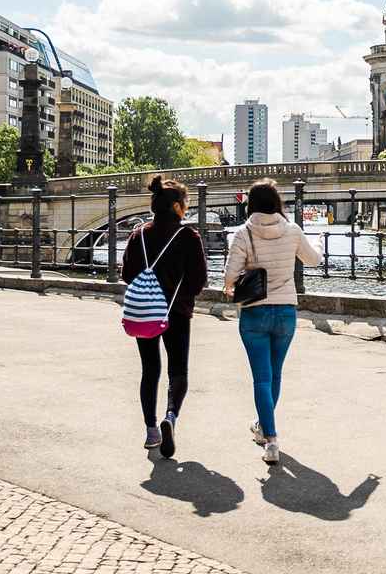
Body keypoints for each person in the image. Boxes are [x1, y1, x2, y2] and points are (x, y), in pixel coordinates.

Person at [223, 178, 322, 465]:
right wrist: (316, 242)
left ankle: (271, 439)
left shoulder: (243, 233)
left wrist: (235, 283)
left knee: (261, 378)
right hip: (285, 312)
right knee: (275, 374)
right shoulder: (292, 230)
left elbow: (229, 277)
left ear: (250, 204)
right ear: (277, 203)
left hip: (255, 312)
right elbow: (314, 260)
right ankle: (263, 428)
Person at [122, 175, 206, 458]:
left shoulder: (138, 235)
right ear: (177, 207)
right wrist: (180, 295)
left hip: (145, 311)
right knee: (178, 370)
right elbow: (198, 280)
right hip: (177, 312)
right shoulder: (188, 237)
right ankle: (170, 416)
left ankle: (150, 430)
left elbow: (127, 274)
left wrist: (149, 290)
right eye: (186, 203)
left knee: (150, 369)